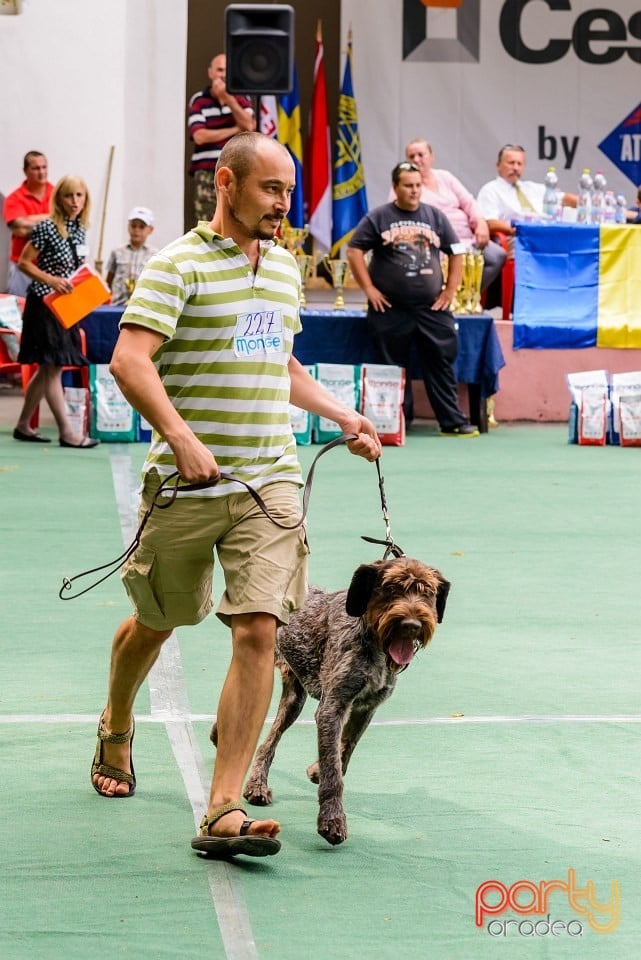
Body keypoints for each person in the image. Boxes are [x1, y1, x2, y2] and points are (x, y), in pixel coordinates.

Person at [89, 132, 382, 860]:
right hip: (185, 485)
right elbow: (129, 361)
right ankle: (116, 721)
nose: (283, 205)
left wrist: (341, 415)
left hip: (269, 478)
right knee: (158, 622)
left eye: (288, 191)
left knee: (258, 631)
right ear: (226, 184)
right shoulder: (177, 265)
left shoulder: (283, 268)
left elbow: (276, 360)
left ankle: (223, 808)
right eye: (270, 190)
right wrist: (182, 438)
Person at [347, 161, 479, 437]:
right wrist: (369, 289)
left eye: (418, 185)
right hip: (390, 308)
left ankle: (452, 420)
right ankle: (394, 422)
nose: (415, 190)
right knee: (391, 365)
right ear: (395, 187)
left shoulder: (435, 216)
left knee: (441, 361)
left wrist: (450, 291)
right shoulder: (379, 217)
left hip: (432, 307)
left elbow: (456, 251)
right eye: (408, 185)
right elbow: (354, 250)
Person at [12, 175, 99, 447]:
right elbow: (24, 263)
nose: (74, 201)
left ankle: (23, 425)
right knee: (53, 368)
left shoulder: (79, 229)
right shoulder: (47, 227)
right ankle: (67, 432)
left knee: (49, 367)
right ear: (58, 199)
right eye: (69, 196)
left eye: (79, 196)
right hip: (44, 304)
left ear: (85, 199)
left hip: (66, 306)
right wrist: (50, 280)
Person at [393, 139, 505, 291]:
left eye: (421, 155)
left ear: (431, 156)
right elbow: (397, 215)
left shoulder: (445, 177)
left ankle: (467, 297)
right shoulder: (404, 185)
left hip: (467, 239)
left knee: (497, 256)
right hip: (436, 244)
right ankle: (449, 299)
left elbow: (469, 202)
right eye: (412, 157)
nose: (417, 160)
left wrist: (481, 223)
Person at [187, 53, 256, 223]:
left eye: (227, 71)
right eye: (219, 70)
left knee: (236, 220)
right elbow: (200, 136)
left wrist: (228, 99)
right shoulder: (199, 100)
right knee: (207, 223)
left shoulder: (241, 98)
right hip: (206, 173)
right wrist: (234, 129)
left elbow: (249, 127)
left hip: (236, 170)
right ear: (210, 73)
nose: (223, 75)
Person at [476, 144, 577, 240]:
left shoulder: (531, 188)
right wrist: (520, 230)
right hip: (517, 238)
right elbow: (490, 222)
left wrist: (586, 203)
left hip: (545, 235)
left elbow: (564, 199)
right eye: (511, 163)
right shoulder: (490, 190)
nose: (516, 168)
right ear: (498, 165)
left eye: (519, 164)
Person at [3, 151, 54, 298]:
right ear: (25, 171)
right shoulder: (14, 198)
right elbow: (20, 228)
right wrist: (52, 220)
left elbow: (66, 222)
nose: (41, 172)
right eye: (36, 168)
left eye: (44, 167)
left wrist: (31, 220)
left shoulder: (57, 194)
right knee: (20, 314)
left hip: (52, 270)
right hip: (23, 269)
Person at [105, 206, 157, 305]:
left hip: (142, 307)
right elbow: (109, 280)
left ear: (150, 229)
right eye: (133, 226)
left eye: (142, 227)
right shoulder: (117, 251)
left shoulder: (155, 255)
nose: (137, 230)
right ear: (128, 226)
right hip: (118, 305)